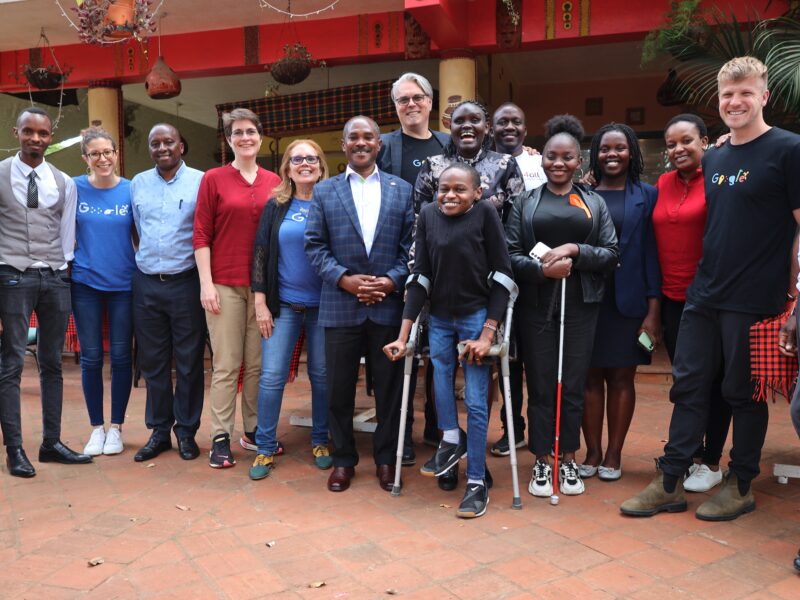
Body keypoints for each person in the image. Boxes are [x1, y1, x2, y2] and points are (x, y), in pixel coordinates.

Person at [622, 56, 800, 521]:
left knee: (743, 393)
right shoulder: (716, 155)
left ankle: (741, 485)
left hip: (755, 299)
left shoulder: (789, 149)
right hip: (704, 294)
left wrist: (798, 301)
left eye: (745, 93)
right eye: (727, 95)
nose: (735, 101)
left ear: (763, 96)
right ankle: (670, 480)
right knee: (689, 386)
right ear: (718, 103)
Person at [384, 162, 512, 517]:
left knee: (473, 398)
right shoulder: (427, 214)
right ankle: (451, 440)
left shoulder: (486, 214)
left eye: (459, 190)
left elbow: (503, 275)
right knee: (439, 378)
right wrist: (403, 335)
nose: (449, 195)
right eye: (444, 189)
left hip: (475, 317)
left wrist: (488, 334)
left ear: (477, 193)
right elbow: (420, 274)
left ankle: (475, 483)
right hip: (439, 316)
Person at [413, 99, 524, 491]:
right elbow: (421, 227)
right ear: (448, 124)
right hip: (442, 289)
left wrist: (497, 300)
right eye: (459, 120)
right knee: (440, 376)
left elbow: (514, 226)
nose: (467, 126)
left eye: (475, 120)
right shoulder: (431, 168)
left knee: (479, 385)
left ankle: (475, 462)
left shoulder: (506, 166)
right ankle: (451, 451)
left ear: (486, 125)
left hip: (484, 289)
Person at [506, 115, 619, 498]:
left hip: (582, 304)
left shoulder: (594, 202)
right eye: (551, 156)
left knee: (571, 383)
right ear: (542, 159)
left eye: (567, 157)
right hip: (536, 305)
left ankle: (567, 455)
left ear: (579, 161)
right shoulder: (524, 202)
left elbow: (610, 252)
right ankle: (541, 458)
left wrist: (575, 251)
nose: (558, 163)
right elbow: (510, 254)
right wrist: (542, 271)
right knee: (539, 383)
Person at [305, 115, 413, 493]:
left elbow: (411, 248)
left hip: (387, 304)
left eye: (369, 137)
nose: (362, 142)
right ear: (344, 143)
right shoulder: (324, 191)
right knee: (338, 389)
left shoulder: (403, 190)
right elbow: (314, 246)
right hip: (340, 304)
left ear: (379, 145)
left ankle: (385, 459)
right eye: (355, 137)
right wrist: (346, 280)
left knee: (389, 389)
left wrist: (390, 281)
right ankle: (344, 459)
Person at [0, 107, 91, 478]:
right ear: (16, 132)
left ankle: (51, 443)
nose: (35, 138)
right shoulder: (1, 175)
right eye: (28, 132)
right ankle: (15, 449)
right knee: (10, 365)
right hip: (11, 276)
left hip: (54, 278)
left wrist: (61, 269)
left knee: (53, 363)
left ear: (50, 136)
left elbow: (67, 232)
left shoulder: (63, 181)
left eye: (42, 133)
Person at [193, 108, 281, 469]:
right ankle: (220, 436)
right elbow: (201, 233)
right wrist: (206, 284)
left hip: (263, 288)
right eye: (237, 133)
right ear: (228, 140)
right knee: (228, 364)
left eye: (251, 132)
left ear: (260, 137)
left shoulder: (275, 181)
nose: (245, 138)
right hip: (224, 285)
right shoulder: (213, 178)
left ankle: (254, 430)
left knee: (258, 365)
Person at [580, 122, 661, 482]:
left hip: (628, 301)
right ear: (594, 154)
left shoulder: (648, 194)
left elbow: (653, 254)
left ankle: (614, 453)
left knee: (622, 377)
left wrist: (653, 311)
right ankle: (592, 451)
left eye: (620, 148)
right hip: (587, 300)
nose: (612, 155)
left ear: (632, 152)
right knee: (589, 377)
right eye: (604, 149)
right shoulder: (581, 193)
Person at [654, 114, 730, 493]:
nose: (678, 149)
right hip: (672, 298)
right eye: (671, 144)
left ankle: (711, 459)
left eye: (686, 141)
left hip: (711, 297)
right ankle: (687, 452)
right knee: (686, 382)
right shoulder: (663, 183)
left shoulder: (717, 179)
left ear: (705, 141)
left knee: (714, 381)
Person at [377, 72, 450, 463]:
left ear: (429, 101)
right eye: (402, 99)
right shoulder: (383, 145)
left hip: (440, 262)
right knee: (401, 350)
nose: (411, 105)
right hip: (395, 262)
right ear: (396, 106)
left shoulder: (447, 144)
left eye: (417, 97)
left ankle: (439, 429)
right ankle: (399, 432)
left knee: (440, 352)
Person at [249, 139, 331, 480]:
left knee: (323, 377)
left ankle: (322, 440)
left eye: (311, 158)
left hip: (325, 308)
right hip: (283, 306)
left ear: (321, 165)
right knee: (270, 377)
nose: (305, 164)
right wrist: (260, 302)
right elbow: (260, 253)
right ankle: (265, 448)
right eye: (297, 159)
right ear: (287, 167)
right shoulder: (276, 204)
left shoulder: (332, 202)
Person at [130, 123, 206, 463]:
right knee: (153, 362)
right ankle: (159, 431)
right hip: (146, 283)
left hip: (186, 282)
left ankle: (186, 431)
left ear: (181, 146)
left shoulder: (202, 181)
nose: (162, 148)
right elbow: (135, 228)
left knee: (189, 362)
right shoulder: (138, 184)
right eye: (155, 142)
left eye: (168, 142)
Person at [72, 127, 136, 456]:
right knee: (91, 358)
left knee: (123, 357)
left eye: (107, 152)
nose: (102, 158)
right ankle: (97, 427)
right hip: (85, 284)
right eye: (94, 153)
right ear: (86, 158)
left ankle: (117, 428)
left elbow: (141, 234)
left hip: (124, 284)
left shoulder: (130, 190)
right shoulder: (75, 188)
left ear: (116, 154)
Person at [488, 102, 547, 458]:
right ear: (491, 129)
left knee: (534, 358)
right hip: (496, 273)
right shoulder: (485, 166)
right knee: (505, 361)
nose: (509, 127)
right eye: (502, 122)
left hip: (534, 272)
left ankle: (542, 430)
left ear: (526, 130)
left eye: (516, 122)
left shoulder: (540, 163)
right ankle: (513, 429)